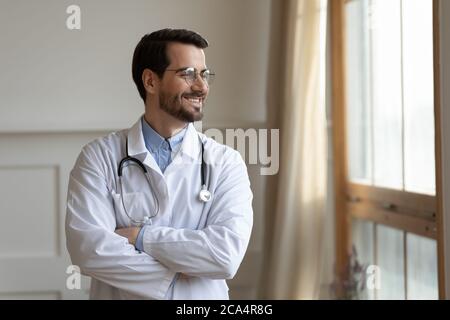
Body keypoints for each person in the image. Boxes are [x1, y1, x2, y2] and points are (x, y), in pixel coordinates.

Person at [65, 28, 253, 299]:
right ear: (150, 81)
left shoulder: (226, 162)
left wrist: (139, 237)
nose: (201, 86)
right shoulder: (98, 157)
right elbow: (89, 250)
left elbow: (224, 256)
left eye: (204, 74)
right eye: (188, 74)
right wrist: (180, 270)